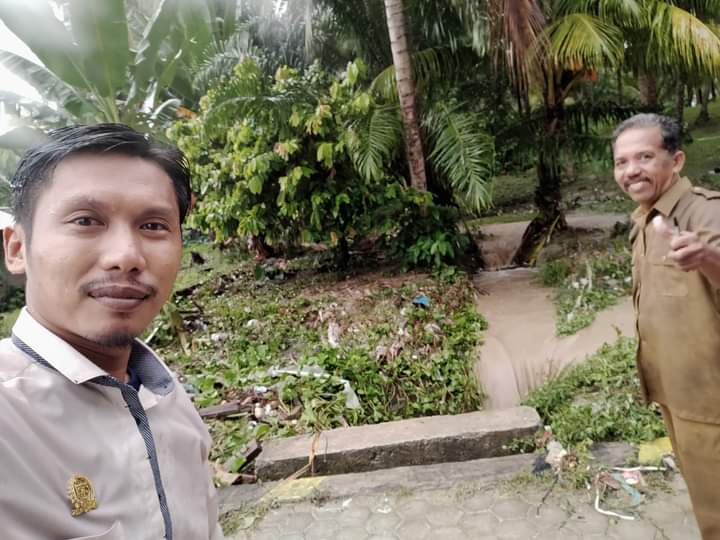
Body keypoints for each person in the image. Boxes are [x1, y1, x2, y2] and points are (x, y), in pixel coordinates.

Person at [1, 124, 223, 539]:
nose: (126, 256)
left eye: (153, 226)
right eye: (85, 220)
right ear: (17, 248)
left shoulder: (166, 396)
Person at [613, 113, 720, 539]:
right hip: (676, 393)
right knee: (705, 500)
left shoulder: (704, 213)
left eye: (644, 157)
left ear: (676, 161)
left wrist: (707, 258)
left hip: (710, 399)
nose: (631, 170)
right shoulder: (645, 218)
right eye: (621, 162)